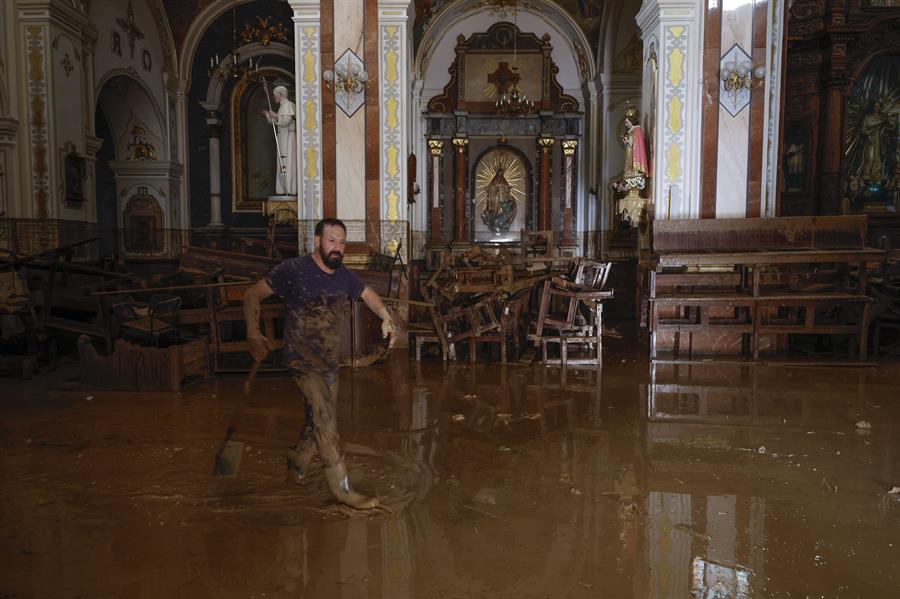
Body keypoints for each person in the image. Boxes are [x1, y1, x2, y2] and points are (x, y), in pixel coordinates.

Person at [242, 218, 395, 510]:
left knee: (317, 422)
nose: (337, 247)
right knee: (326, 419)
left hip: (329, 364)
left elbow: (368, 294)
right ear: (316, 241)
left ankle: (297, 459)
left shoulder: (343, 276)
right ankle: (343, 490)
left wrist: (385, 316)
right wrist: (252, 331)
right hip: (302, 360)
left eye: (342, 242)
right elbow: (253, 294)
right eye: (331, 241)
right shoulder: (293, 270)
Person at [261, 85, 297, 196]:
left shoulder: (289, 105)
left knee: (287, 162)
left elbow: (286, 121)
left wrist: (276, 116)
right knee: (282, 163)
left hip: (288, 137)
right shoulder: (282, 106)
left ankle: (289, 188)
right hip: (282, 137)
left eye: (275, 95)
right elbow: (275, 122)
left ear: (281, 94)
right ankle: (283, 188)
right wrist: (268, 116)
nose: (274, 97)